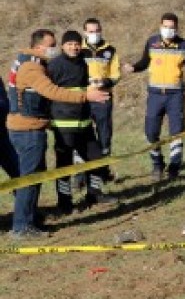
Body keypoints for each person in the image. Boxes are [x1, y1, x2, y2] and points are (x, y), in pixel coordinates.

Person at [7, 29, 111, 238]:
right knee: (29, 179)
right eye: (52, 44)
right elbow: (52, 91)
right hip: (27, 131)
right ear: (39, 46)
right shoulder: (31, 67)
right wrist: (85, 96)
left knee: (34, 177)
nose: (55, 48)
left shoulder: (30, 62)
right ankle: (21, 227)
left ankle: (30, 218)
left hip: (31, 128)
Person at [123, 12, 185, 181]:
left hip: (175, 95)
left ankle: (174, 167)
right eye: (165, 27)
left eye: (172, 28)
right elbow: (144, 63)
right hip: (155, 94)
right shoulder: (152, 42)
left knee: (176, 133)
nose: (168, 30)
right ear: (160, 26)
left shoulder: (184, 45)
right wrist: (133, 67)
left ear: (176, 28)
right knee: (151, 132)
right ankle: (157, 164)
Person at [46, 31, 116, 213]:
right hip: (63, 125)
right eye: (69, 44)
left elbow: (85, 89)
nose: (74, 47)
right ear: (62, 46)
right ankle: (64, 203)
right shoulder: (54, 66)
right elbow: (48, 93)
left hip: (84, 124)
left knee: (96, 159)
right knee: (64, 166)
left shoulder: (82, 63)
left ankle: (94, 195)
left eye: (77, 44)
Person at [81, 18, 121, 159]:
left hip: (103, 97)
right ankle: (83, 171)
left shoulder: (110, 49)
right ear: (85, 32)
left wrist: (105, 82)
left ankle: (104, 165)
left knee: (104, 132)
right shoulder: (78, 49)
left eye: (97, 31)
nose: (94, 34)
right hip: (83, 98)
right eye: (91, 31)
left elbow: (116, 74)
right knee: (83, 132)